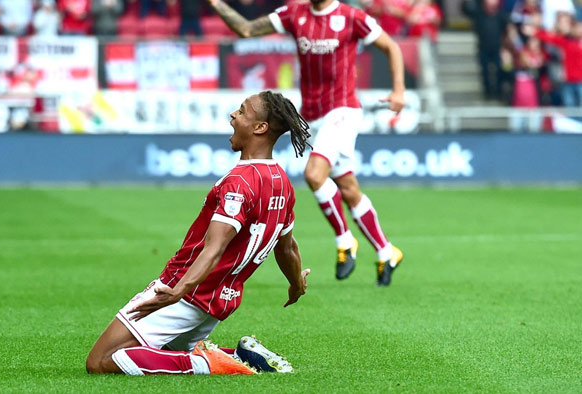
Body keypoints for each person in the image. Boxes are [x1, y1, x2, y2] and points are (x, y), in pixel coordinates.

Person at [85, 91, 312, 375]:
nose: (233, 115)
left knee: (101, 361)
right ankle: (240, 355)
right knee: (165, 353)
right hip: (220, 300)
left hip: (186, 292)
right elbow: (287, 247)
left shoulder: (239, 182)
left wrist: (178, 291)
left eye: (241, 112)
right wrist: (296, 284)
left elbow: (213, 248)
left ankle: (208, 363)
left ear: (260, 128)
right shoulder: (282, 183)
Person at [206, 0, 405, 286]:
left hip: (343, 109)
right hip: (313, 115)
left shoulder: (351, 17)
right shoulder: (293, 13)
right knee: (348, 188)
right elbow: (247, 30)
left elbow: (392, 46)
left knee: (314, 174)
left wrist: (398, 90)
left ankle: (345, 241)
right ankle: (387, 251)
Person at [463, 0, 508, 100]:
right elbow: (466, 10)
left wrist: (504, 48)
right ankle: (487, 93)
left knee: (499, 71)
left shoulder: (501, 16)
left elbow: (505, 32)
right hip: (483, 48)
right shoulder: (479, 15)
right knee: (485, 71)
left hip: (497, 48)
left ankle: (498, 92)